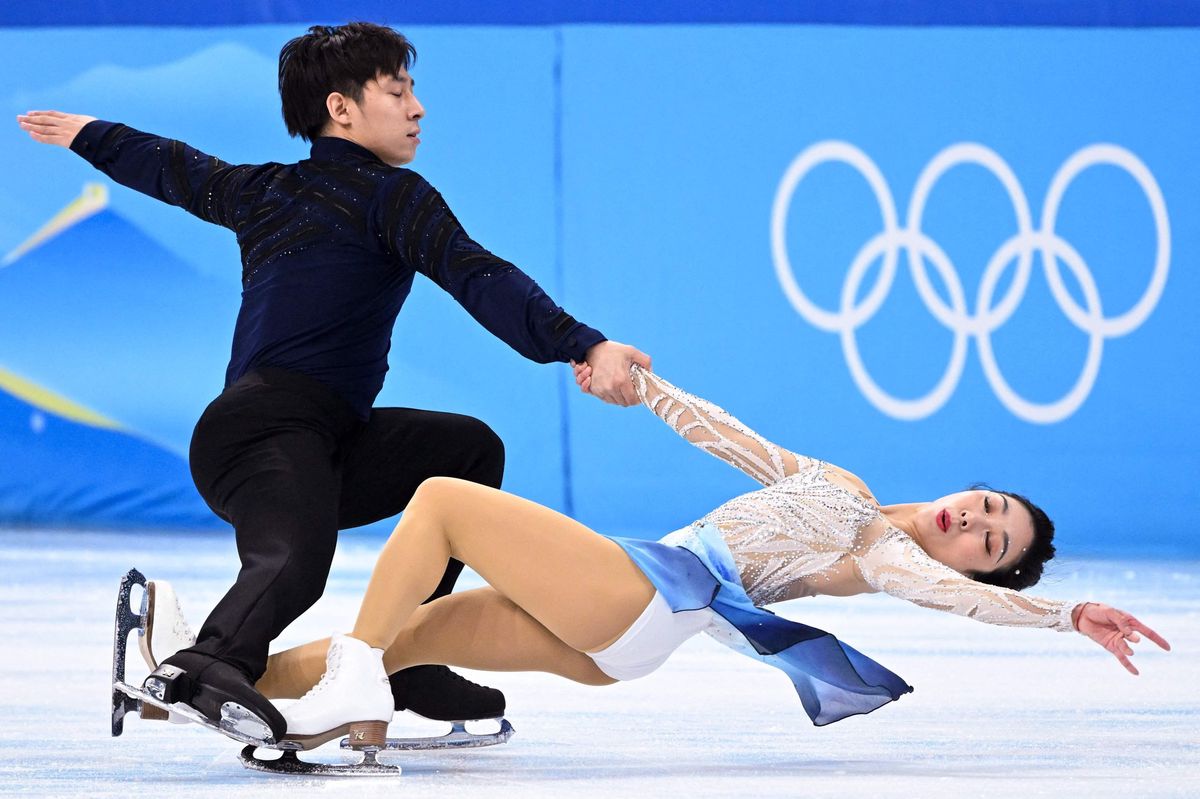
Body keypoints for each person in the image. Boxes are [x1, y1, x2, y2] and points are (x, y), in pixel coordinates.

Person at [16, 22, 649, 744]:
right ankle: (205, 664)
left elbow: (176, 167)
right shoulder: (385, 196)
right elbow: (479, 275)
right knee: (295, 561)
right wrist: (583, 343)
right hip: (262, 431)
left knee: (467, 452)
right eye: (398, 92)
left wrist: (93, 133)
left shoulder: (268, 189)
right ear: (341, 109)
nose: (418, 108)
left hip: (327, 441)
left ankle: (411, 654)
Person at [251, 364, 1170, 749]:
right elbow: (734, 440)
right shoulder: (845, 485)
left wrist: (1064, 613)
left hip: (644, 598)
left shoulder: (880, 551)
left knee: (445, 501)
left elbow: (954, 599)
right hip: (630, 627)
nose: (973, 521)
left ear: (970, 565)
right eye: (990, 505)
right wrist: (644, 384)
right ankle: (219, 679)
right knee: (414, 633)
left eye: (988, 544)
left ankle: (355, 690)